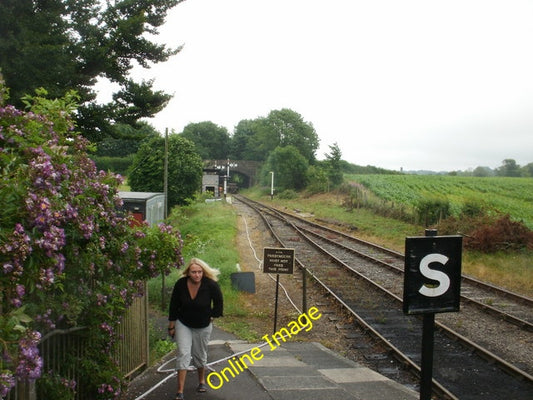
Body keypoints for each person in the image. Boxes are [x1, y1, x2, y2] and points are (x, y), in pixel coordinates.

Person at [168, 258, 223, 400]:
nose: (197, 275)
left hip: (203, 326)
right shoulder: (180, 284)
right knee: (183, 353)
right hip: (183, 323)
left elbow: (219, 304)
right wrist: (171, 325)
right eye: (193, 272)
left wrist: (211, 316)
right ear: (188, 273)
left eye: (199, 272)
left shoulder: (211, 285)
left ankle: (201, 381)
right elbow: (174, 305)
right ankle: (180, 391)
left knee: (199, 354)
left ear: (203, 272)